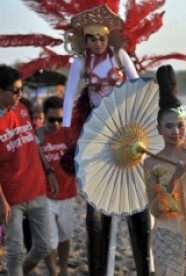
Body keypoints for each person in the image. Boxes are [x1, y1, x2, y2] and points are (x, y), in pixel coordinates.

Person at [61, 5, 151, 275]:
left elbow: (138, 86)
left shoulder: (119, 55)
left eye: (101, 38)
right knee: (98, 205)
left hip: (126, 132)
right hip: (96, 137)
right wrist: (66, 131)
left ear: (108, 37)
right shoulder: (81, 63)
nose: (97, 43)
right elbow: (68, 97)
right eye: (92, 38)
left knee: (137, 201)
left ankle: (145, 267)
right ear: (84, 40)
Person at [144, 65, 186, 275]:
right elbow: (155, 210)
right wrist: (173, 178)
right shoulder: (151, 163)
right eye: (169, 126)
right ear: (159, 130)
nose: (176, 131)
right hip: (168, 238)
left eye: (180, 125)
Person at [0, 65, 57, 275]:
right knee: (15, 252)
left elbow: (33, 141)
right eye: (14, 91)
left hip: (36, 187)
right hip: (11, 196)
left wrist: (49, 170)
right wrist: (2, 200)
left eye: (20, 90)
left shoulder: (22, 109)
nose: (19, 95)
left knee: (45, 245)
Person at [36, 96, 77, 276]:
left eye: (60, 119)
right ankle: (53, 272)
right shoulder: (39, 135)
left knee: (65, 236)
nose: (57, 124)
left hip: (68, 193)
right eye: (52, 119)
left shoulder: (69, 133)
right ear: (44, 116)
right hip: (45, 195)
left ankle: (63, 270)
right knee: (49, 240)